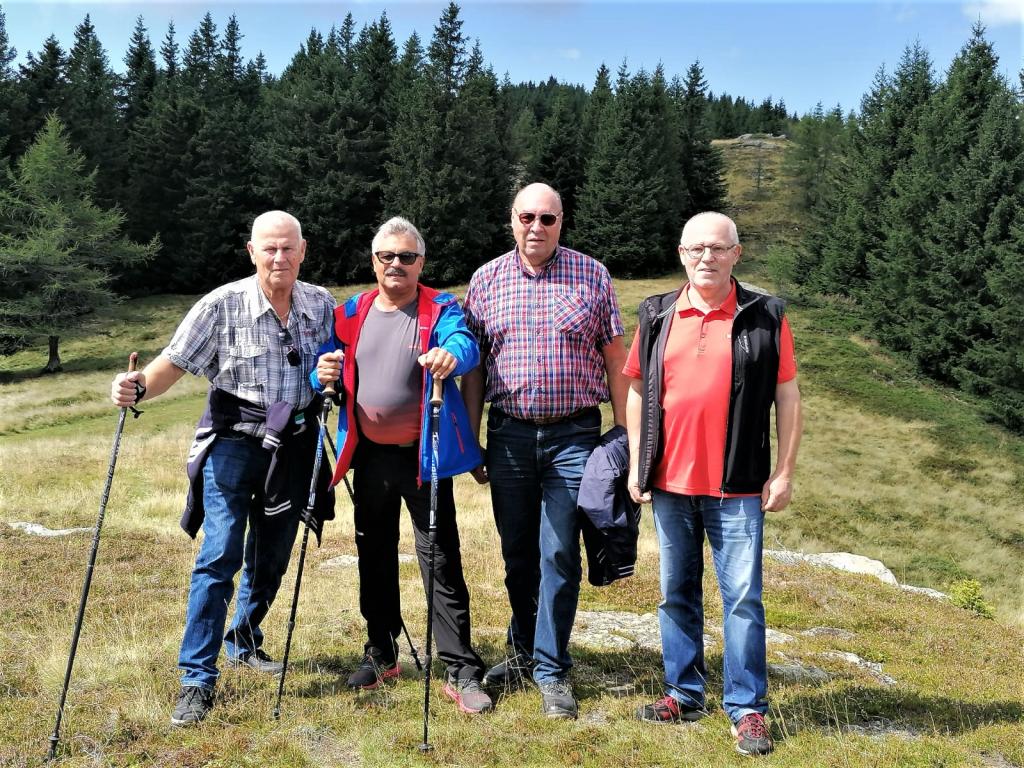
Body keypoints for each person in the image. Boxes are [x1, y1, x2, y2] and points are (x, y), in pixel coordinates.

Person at [110, 211, 337, 726]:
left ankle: (244, 639)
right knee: (220, 554)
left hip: (294, 442)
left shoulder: (321, 303)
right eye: (269, 248)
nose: (279, 257)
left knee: (272, 555)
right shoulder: (220, 305)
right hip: (233, 442)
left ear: (303, 251)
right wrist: (136, 387)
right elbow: (171, 363)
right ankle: (197, 678)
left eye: (288, 248)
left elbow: (337, 361)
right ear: (252, 251)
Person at [624, 212, 802, 757]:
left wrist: (784, 470)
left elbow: (787, 395)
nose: (708, 257)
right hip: (670, 484)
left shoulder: (766, 315)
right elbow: (637, 390)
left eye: (719, 248)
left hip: (739, 486)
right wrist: (637, 464)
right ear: (681, 253)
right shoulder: (656, 314)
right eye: (697, 248)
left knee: (743, 599)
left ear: (736, 254)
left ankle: (748, 710)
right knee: (675, 593)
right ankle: (684, 693)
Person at [312, 216, 492, 714]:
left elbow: (465, 344)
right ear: (374, 261)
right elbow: (324, 367)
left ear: (421, 263)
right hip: (369, 456)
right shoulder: (350, 312)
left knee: (440, 557)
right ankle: (382, 651)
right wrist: (319, 372)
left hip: (423, 456)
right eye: (387, 256)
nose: (396, 264)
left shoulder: (440, 306)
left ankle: (460, 666)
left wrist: (449, 355)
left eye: (407, 257)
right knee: (373, 552)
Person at [461, 182, 628, 719]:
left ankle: (551, 668)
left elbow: (615, 357)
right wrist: (471, 439)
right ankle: (522, 648)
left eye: (547, 218)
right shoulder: (486, 279)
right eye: (527, 217)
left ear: (561, 222)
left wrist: (624, 434)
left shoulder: (592, 275)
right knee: (517, 553)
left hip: (574, 436)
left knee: (558, 551)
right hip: (508, 435)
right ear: (512, 219)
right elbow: (475, 368)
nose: (536, 227)